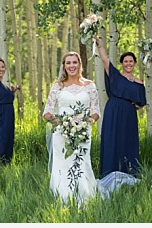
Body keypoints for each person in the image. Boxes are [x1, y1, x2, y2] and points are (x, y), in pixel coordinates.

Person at [43, 51, 100, 205]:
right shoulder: (57, 86)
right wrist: (64, 123)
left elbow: (96, 112)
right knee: (63, 165)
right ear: (64, 66)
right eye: (68, 63)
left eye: (74, 62)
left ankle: (85, 197)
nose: (71, 66)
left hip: (82, 133)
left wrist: (83, 123)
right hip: (61, 134)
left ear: (80, 64)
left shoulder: (89, 85)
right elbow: (47, 113)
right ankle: (63, 198)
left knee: (81, 163)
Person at [93, 36, 147, 177]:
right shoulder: (116, 76)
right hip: (113, 110)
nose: (128, 64)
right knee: (112, 140)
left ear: (134, 63)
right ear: (122, 64)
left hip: (129, 114)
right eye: (125, 61)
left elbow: (141, 103)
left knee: (127, 141)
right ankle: (109, 173)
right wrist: (99, 45)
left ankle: (128, 172)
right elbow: (105, 60)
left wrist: (132, 106)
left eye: (131, 61)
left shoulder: (139, 83)